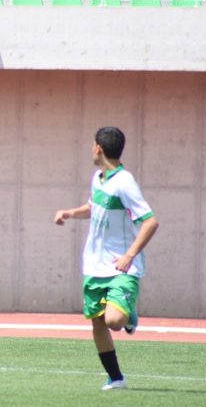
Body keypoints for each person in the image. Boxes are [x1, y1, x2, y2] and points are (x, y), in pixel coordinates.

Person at [54, 127, 159, 390]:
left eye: (92, 146)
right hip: (94, 266)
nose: (91, 149)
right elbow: (94, 207)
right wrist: (69, 212)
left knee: (114, 321)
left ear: (98, 148)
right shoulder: (99, 178)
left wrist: (129, 255)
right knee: (98, 322)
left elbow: (150, 221)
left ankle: (129, 313)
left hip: (121, 266)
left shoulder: (125, 183)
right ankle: (116, 378)